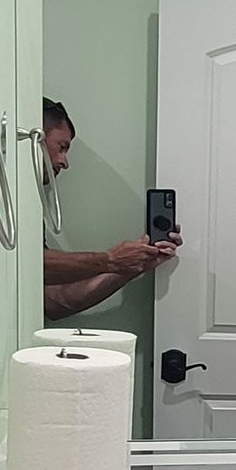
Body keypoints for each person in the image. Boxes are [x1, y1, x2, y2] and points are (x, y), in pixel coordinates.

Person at [38, 98, 179, 317]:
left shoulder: (27, 207)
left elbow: (55, 303)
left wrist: (132, 266)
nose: (65, 162)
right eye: (62, 147)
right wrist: (109, 260)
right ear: (35, 138)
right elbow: (24, 264)